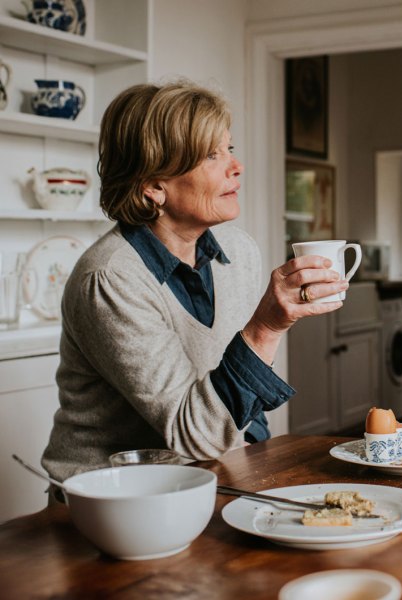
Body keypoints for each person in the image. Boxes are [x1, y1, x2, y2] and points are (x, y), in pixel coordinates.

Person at [42, 80, 347, 483]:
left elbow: (239, 400)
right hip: (108, 499)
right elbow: (194, 434)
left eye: (229, 148)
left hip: (204, 480)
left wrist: (254, 461)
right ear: (154, 186)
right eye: (210, 155)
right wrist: (266, 327)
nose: (236, 166)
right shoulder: (111, 279)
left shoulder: (238, 251)